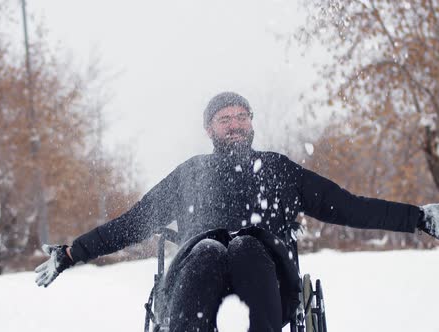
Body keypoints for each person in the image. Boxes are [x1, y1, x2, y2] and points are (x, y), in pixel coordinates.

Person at [35, 92, 439, 332]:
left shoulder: (279, 169)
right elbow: (133, 223)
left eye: (241, 116)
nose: (234, 124)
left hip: (268, 272)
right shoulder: (190, 174)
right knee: (208, 250)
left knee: (246, 244)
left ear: (251, 124)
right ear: (209, 129)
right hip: (197, 265)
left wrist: (417, 217)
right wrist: (73, 253)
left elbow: (349, 207)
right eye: (224, 118)